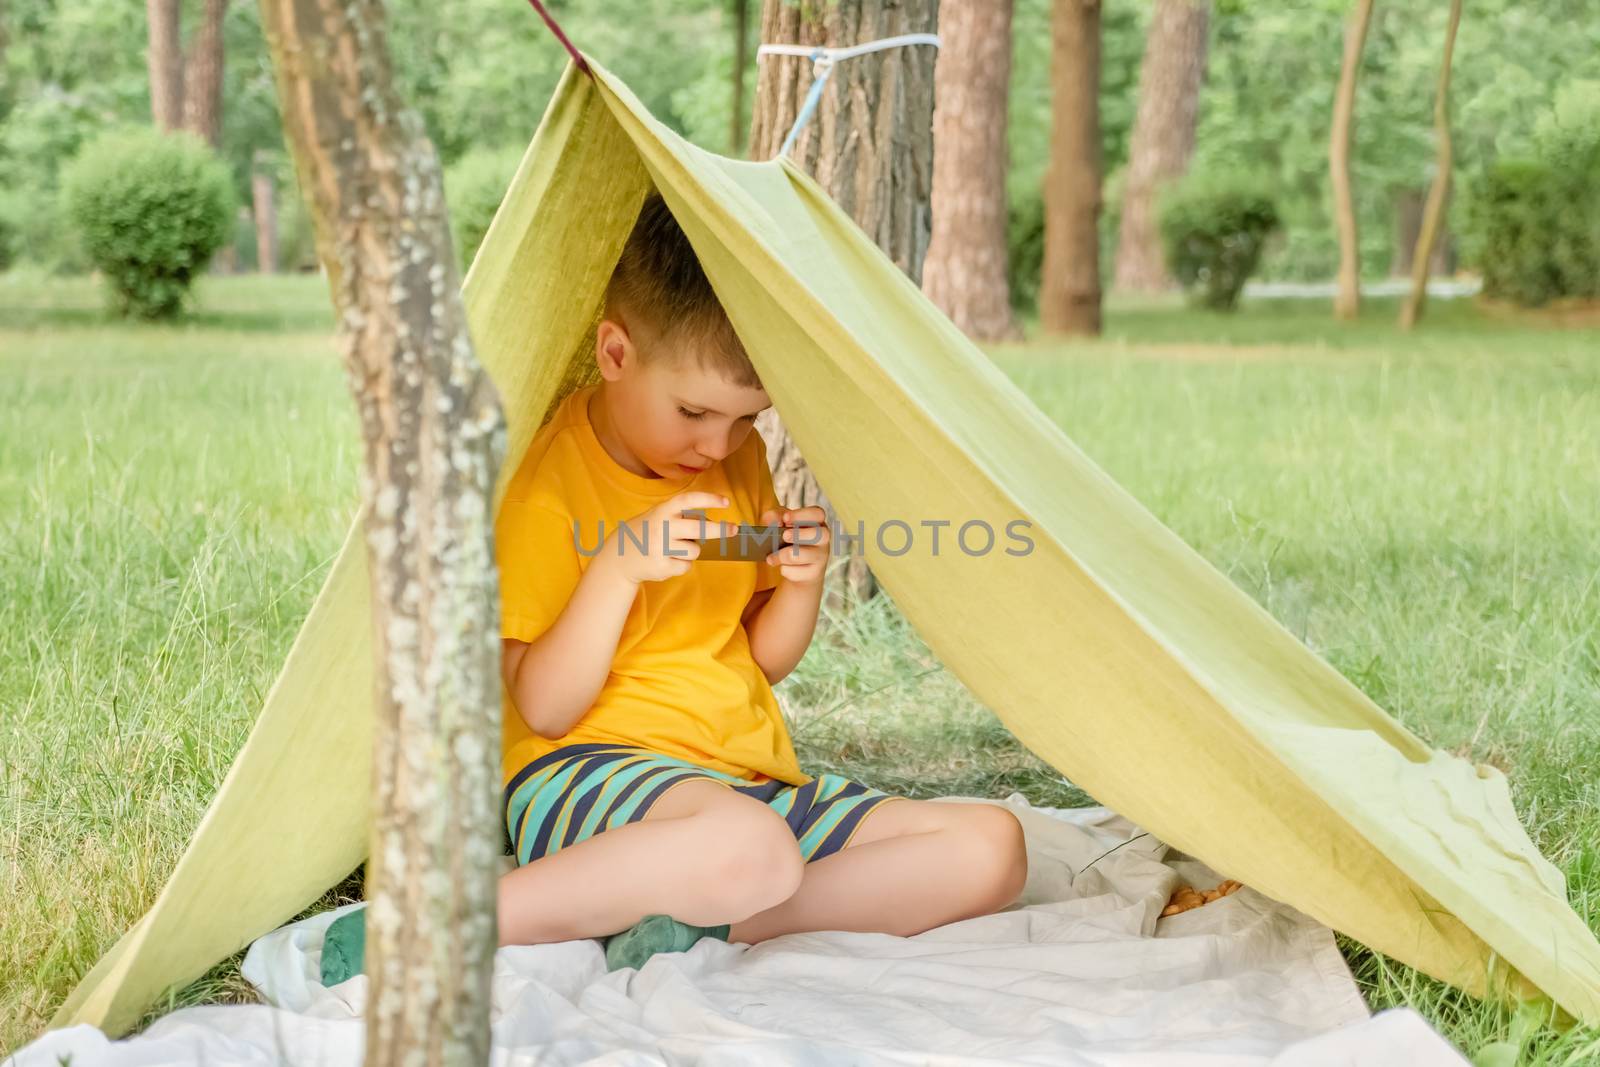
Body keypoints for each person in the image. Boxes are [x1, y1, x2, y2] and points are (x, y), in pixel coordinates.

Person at [319, 191, 1028, 984]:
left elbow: (759, 658)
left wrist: (799, 585)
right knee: (748, 847)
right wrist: (617, 568)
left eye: (744, 418)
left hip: (744, 778)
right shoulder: (546, 489)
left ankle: (706, 921)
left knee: (991, 848)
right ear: (615, 354)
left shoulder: (737, 461)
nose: (716, 443)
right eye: (694, 411)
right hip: (589, 773)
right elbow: (545, 707)